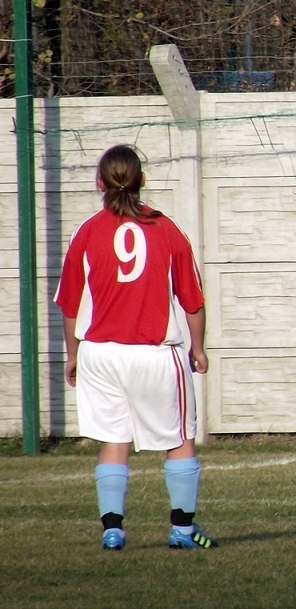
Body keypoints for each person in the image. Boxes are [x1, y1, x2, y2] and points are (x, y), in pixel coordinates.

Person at [54, 144, 217, 549]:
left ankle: (112, 530)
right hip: (153, 354)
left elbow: (71, 303)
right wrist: (198, 348)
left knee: (114, 439)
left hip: (100, 354)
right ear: (142, 179)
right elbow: (192, 299)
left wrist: (73, 355)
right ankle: (182, 531)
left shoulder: (87, 232)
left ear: (100, 183)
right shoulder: (165, 229)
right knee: (179, 438)